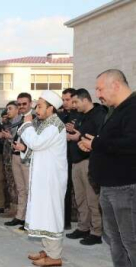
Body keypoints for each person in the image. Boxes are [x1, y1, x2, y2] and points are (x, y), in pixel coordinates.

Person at [79, 69, 136, 267]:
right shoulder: (116, 110)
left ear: (116, 85)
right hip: (109, 188)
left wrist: (96, 144)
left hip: (125, 188)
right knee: (115, 242)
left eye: (100, 89)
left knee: (131, 242)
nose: (98, 94)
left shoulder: (133, 108)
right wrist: (92, 144)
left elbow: (131, 144)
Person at [15, 90, 67, 266]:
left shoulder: (54, 125)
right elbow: (38, 147)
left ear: (51, 108)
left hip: (51, 180)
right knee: (44, 214)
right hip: (44, 178)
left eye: (40, 106)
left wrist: (26, 125)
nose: (37, 109)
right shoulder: (47, 124)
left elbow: (36, 142)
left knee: (50, 215)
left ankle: (55, 257)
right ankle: (48, 251)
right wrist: (24, 148)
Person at [65, 88, 106, 245]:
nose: (73, 105)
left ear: (85, 100)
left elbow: (99, 137)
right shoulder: (80, 116)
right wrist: (73, 133)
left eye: (75, 102)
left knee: (92, 199)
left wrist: (78, 136)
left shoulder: (99, 114)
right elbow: (79, 133)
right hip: (76, 161)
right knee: (80, 198)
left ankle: (96, 232)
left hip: (89, 161)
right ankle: (83, 227)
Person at [5, 93, 34, 228]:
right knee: (20, 189)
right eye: (19, 104)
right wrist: (11, 139)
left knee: (30, 190)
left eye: (24, 104)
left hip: (28, 157)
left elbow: (37, 140)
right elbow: (17, 136)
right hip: (16, 155)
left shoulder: (35, 118)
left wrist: (25, 147)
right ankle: (20, 216)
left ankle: (29, 219)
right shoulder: (18, 119)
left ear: (30, 103)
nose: (21, 106)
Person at [58, 88, 81, 230]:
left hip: (79, 157)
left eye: (68, 100)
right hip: (63, 157)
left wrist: (76, 128)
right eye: (63, 100)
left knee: (80, 193)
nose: (65, 103)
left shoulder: (80, 114)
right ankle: (65, 220)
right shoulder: (62, 115)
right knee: (64, 189)